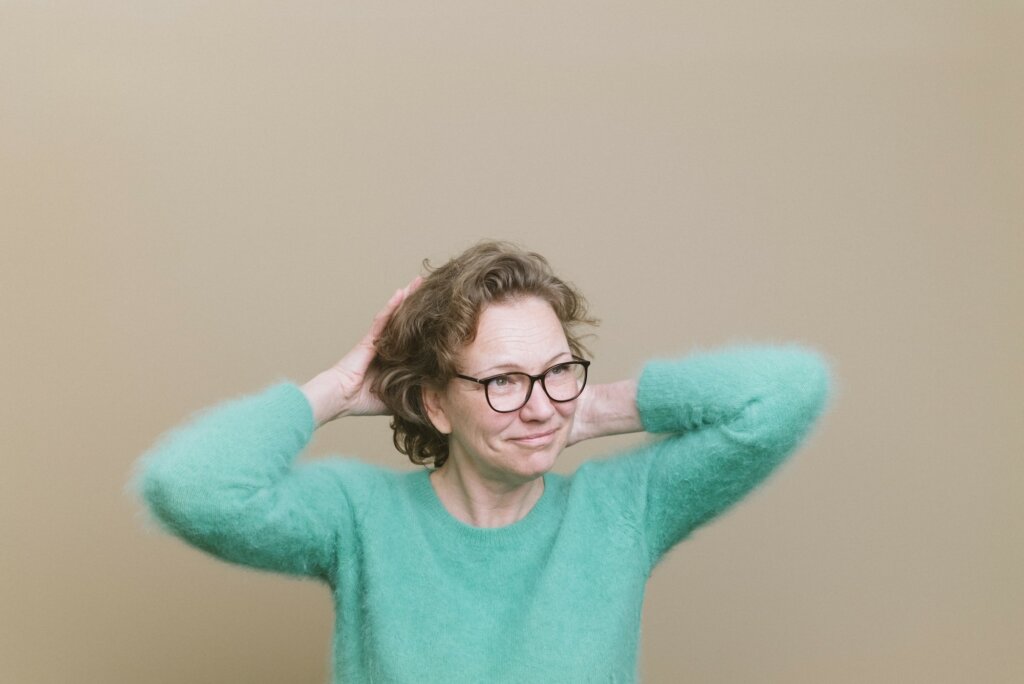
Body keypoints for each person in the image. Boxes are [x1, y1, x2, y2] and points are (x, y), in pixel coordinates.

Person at [132, 240, 832, 683]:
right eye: (504, 382)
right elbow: (186, 486)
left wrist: (591, 407)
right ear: (435, 404)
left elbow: (787, 391)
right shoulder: (359, 518)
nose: (538, 406)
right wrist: (335, 391)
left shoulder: (622, 509)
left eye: (557, 370)